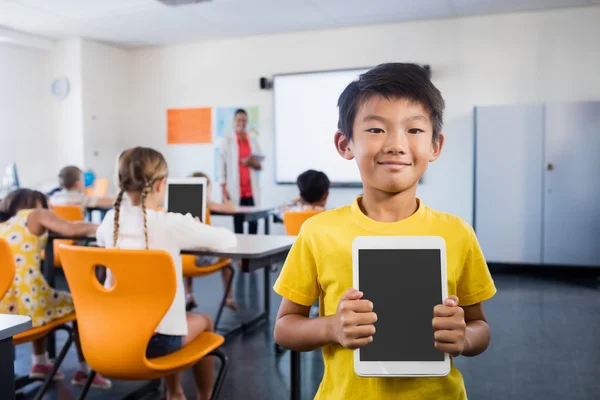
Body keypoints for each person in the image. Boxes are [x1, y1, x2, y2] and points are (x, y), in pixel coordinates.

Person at [273, 63, 496, 400]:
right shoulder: (318, 232)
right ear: (345, 143)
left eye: (415, 130)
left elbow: (480, 327)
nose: (395, 144)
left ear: (436, 145)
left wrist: (464, 338)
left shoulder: (457, 233)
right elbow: (285, 327)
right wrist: (331, 326)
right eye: (376, 130)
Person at [96, 147, 237, 400]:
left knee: (176, 318)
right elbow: (227, 241)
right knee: (204, 321)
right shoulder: (171, 223)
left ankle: (176, 391)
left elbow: (99, 237)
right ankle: (195, 396)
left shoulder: (109, 222)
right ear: (162, 185)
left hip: (112, 336)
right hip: (158, 344)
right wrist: (193, 226)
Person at [0, 189, 112, 389]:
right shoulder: (36, 214)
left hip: (4, 308)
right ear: (38, 203)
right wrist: (108, 227)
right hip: (28, 307)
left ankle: (41, 362)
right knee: (78, 305)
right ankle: (85, 371)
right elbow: (72, 230)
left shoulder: (3, 225)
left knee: (44, 297)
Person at [185, 172, 237, 311]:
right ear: (205, 188)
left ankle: (189, 295)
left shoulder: (180, 207)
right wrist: (225, 199)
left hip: (183, 262)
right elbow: (232, 209)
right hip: (200, 260)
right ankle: (229, 297)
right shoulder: (207, 204)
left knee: (186, 254)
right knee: (227, 259)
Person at [218, 109, 263, 234]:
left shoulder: (253, 141)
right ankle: (241, 253)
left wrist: (252, 163)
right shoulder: (227, 142)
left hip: (251, 192)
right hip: (235, 191)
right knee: (238, 226)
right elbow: (222, 168)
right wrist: (223, 191)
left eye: (244, 120)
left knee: (253, 224)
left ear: (247, 122)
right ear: (234, 122)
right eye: (238, 120)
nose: (241, 123)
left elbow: (260, 166)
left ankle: (253, 251)